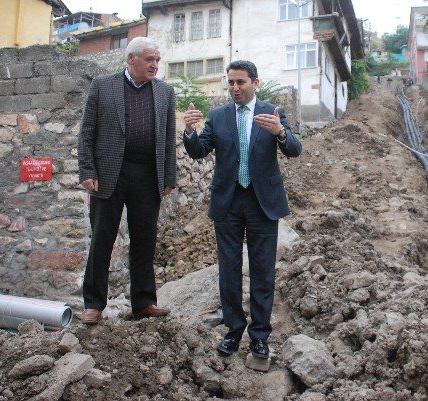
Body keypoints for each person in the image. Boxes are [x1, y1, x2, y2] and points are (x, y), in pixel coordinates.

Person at [183, 60, 302, 359]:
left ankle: (260, 335)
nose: (235, 88)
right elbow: (199, 151)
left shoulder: (272, 113)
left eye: (241, 82)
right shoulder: (219, 115)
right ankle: (233, 330)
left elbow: (294, 150)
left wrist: (281, 133)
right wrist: (189, 132)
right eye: (231, 82)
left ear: (255, 83)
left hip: (263, 203)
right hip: (228, 202)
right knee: (229, 270)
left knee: (262, 271)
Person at [78, 37, 176, 325]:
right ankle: (94, 304)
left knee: (145, 241)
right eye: (149, 60)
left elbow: (169, 138)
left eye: (157, 60)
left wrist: (168, 176)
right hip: (109, 174)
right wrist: (87, 170)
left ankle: (144, 302)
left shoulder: (165, 92)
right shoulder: (102, 85)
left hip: (148, 175)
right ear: (131, 59)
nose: (155, 65)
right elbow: (87, 132)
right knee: (102, 240)